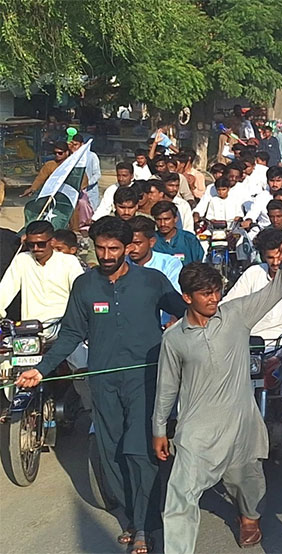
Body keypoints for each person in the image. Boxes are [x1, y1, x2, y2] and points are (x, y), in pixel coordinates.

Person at [15, 216, 187, 554]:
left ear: (128, 248)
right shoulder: (85, 285)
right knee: (110, 453)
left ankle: (144, 525)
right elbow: (71, 335)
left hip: (145, 380)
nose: (106, 255)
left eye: (114, 248)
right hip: (103, 381)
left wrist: (183, 332)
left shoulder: (152, 281)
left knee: (139, 452)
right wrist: (41, 369)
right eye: (100, 248)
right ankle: (129, 514)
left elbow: (185, 311)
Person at [154, 243, 282, 553]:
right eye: (206, 294)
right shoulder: (174, 338)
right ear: (187, 298)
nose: (214, 299)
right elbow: (166, 386)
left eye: (216, 291)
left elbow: (274, 292)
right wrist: (159, 429)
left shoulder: (236, 314)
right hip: (197, 430)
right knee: (180, 494)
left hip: (241, 423)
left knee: (247, 483)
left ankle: (249, 517)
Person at [225, 229, 282, 342]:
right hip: (254, 342)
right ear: (263, 256)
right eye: (270, 258)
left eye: (279, 257)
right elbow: (228, 305)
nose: (275, 263)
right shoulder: (253, 273)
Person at [0, 220, 84, 323]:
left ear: (52, 241)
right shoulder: (22, 260)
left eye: (41, 244)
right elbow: (5, 290)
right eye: (31, 244)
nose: (36, 248)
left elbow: (80, 295)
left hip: (63, 326)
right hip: (31, 328)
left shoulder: (69, 261)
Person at [153, 201, 205, 265]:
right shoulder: (151, 241)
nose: (162, 224)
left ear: (175, 219)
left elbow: (198, 263)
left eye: (167, 219)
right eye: (158, 220)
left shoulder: (189, 239)